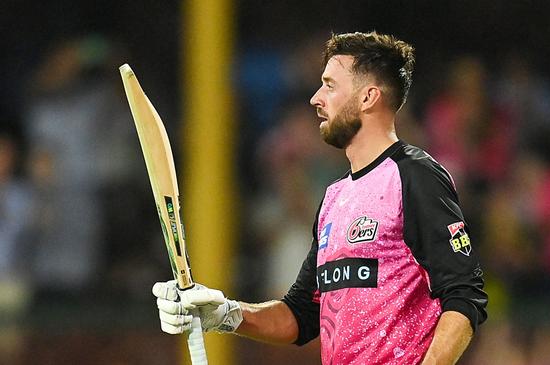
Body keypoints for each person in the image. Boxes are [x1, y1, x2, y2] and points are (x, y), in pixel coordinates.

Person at [153, 31, 488, 365]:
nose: (316, 98)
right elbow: (300, 315)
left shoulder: (415, 175)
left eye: (330, 85)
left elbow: (464, 296)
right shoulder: (335, 196)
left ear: (368, 97)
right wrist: (226, 314)